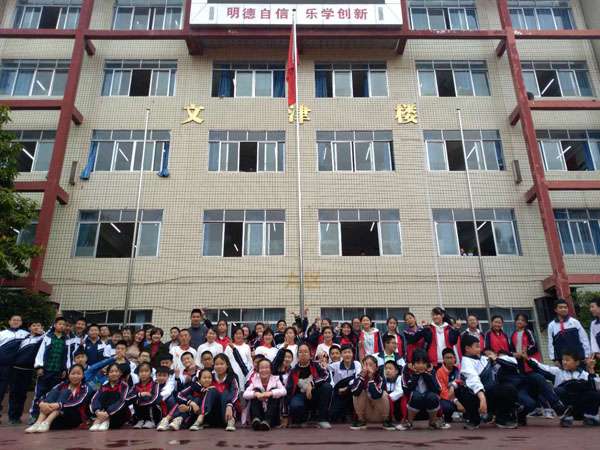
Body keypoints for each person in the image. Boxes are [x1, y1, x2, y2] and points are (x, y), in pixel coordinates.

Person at [455, 334, 519, 430]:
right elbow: (473, 380)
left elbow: (514, 362)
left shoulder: (484, 358)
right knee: (462, 390)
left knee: (509, 388)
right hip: (476, 397)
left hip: (489, 394)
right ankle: (473, 419)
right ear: (467, 348)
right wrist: (482, 399)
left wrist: (496, 359)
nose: (480, 348)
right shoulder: (466, 362)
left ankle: (501, 418)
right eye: (477, 346)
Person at [526, 350, 600, 427]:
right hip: (565, 408)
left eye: (567, 360)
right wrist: (527, 359)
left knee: (594, 394)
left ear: (577, 362)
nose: (564, 362)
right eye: (563, 360)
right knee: (559, 390)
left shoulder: (585, 374)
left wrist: (591, 369)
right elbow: (540, 367)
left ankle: (589, 417)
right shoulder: (558, 372)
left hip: (581, 407)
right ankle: (566, 416)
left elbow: (596, 387)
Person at [24, 364, 91, 433]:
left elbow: (78, 402)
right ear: (68, 374)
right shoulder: (62, 385)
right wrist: (42, 403)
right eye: (73, 373)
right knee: (54, 393)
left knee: (66, 392)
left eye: (78, 374)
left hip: (74, 417)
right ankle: (38, 423)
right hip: (58, 417)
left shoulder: (84, 388)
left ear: (83, 375)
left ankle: (47, 422)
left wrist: (59, 405)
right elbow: (48, 395)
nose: (75, 376)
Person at [286, 343, 332, 429]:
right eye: (300, 352)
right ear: (297, 355)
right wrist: (285, 414)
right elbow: (288, 391)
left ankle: (322, 419)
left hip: (315, 393)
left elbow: (326, 376)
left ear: (310, 355)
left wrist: (312, 384)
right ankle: (302, 419)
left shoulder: (316, 365)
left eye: (306, 352)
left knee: (327, 387)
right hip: (300, 396)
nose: (303, 354)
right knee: (295, 405)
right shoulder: (293, 371)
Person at [32, 317, 69, 420]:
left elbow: (67, 356)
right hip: (46, 370)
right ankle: (34, 414)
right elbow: (41, 352)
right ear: (55, 325)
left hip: (58, 372)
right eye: (59, 324)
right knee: (40, 393)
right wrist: (39, 366)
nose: (62, 326)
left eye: (63, 324)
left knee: (54, 393)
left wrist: (65, 369)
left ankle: (48, 416)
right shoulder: (48, 337)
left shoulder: (66, 340)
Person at [402, 349, 448, 430]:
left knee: (433, 396)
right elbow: (406, 390)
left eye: (423, 363)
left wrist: (426, 375)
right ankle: (408, 422)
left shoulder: (431, 370)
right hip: (412, 401)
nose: (421, 365)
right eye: (418, 363)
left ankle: (433, 422)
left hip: (428, 399)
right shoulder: (406, 370)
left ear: (427, 364)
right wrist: (416, 375)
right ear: (413, 363)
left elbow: (437, 389)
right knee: (416, 396)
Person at [10, 321, 44, 424]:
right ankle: (12, 417)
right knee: (14, 393)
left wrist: (42, 333)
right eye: (34, 325)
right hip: (15, 369)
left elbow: (49, 333)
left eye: (38, 325)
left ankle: (17, 416)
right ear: (29, 328)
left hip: (28, 370)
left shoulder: (42, 339)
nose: (36, 327)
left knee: (22, 394)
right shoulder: (23, 338)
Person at [349, 355, 392, 430]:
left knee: (384, 394)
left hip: (379, 414)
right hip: (366, 413)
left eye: (370, 365)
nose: (368, 368)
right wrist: (362, 377)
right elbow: (354, 392)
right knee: (359, 392)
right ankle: (361, 420)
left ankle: (386, 420)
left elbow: (377, 395)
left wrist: (371, 378)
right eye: (365, 365)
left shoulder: (380, 378)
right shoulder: (359, 377)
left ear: (377, 368)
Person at [0, 315, 29, 424]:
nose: (16, 322)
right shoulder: (2, 334)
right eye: (14, 320)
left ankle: (14, 417)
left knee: (17, 392)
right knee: (1, 390)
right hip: (3, 366)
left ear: (21, 323)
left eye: (18, 320)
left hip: (18, 367)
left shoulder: (26, 334)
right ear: (9, 321)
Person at [244, 358, 287, 431]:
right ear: (258, 370)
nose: (264, 370)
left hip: (272, 415)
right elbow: (245, 394)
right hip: (258, 413)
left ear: (271, 369)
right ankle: (257, 420)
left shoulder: (275, 379)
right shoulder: (255, 379)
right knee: (256, 390)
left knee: (273, 391)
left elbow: (284, 391)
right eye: (261, 368)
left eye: (267, 368)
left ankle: (267, 421)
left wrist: (270, 393)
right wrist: (256, 394)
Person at [547, 298, 590, 364]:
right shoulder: (551, 325)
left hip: (578, 359)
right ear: (555, 310)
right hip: (563, 361)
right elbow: (551, 343)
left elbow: (584, 338)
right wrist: (554, 359)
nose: (563, 309)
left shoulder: (575, 322)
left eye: (565, 307)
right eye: (561, 307)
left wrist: (587, 355)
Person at [89, 363, 131, 431]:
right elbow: (95, 399)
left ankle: (103, 420)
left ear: (120, 373)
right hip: (103, 413)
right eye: (111, 372)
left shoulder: (124, 386)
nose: (114, 373)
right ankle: (102, 419)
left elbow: (122, 401)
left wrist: (108, 413)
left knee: (115, 394)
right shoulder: (103, 386)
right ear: (107, 374)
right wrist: (97, 411)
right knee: (103, 394)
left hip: (118, 415)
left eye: (116, 371)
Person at [329, 344, 361, 423]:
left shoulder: (357, 364)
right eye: (345, 352)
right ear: (341, 355)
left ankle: (351, 413)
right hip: (339, 392)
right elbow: (326, 368)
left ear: (352, 354)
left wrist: (347, 388)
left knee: (355, 382)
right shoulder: (336, 365)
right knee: (333, 416)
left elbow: (358, 378)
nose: (347, 355)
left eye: (349, 352)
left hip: (351, 391)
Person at [212, 353, 240, 431]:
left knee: (225, 393)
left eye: (222, 364)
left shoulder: (232, 377)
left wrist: (229, 405)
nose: (219, 366)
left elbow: (235, 393)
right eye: (216, 364)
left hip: (230, 406)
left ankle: (230, 420)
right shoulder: (211, 376)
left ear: (227, 365)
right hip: (216, 408)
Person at [128, 362, 161, 429]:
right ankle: (141, 420)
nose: (143, 373)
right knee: (136, 398)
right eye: (141, 371)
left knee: (147, 398)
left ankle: (151, 421)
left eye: (146, 371)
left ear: (151, 373)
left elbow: (155, 399)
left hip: (154, 412)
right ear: (138, 373)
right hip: (139, 411)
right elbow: (128, 398)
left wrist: (140, 401)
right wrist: (140, 394)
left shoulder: (155, 384)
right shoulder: (135, 386)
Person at [435, 348, 463, 423]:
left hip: (458, 394)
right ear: (443, 360)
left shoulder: (458, 369)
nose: (450, 360)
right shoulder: (439, 372)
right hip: (445, 397)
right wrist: (456, 402)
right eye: (447, 358)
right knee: (447, 407)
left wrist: (453, 385)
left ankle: (468, 416)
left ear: (455, 358)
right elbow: (443, 391)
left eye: (451, 357)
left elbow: (462, 381)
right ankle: (447, 418)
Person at [383, 360, 404, 426]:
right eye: (386, 369)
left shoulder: (400, 378)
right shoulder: (383, 379)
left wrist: (387, 397)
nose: (387, 371)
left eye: (390, 368)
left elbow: (400, 391)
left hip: (397, 405)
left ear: (396, 371)